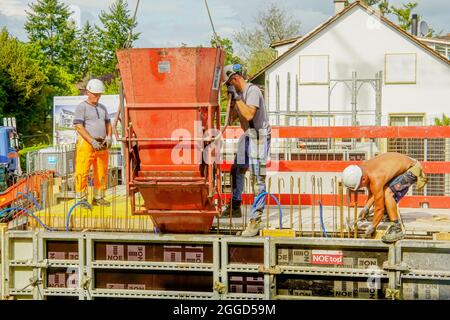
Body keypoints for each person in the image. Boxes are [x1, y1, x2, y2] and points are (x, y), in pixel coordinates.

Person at [221, 64, 271, 237]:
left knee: (258, 178)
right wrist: (233, 101)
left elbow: (249, 115)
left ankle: (255, 221)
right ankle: (235, 206)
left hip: (260, 137)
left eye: (229, 85)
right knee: (237, 169)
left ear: (234, 79)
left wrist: (238, 98)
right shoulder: (240, 95)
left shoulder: (253, 91)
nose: (229, 88)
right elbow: (234, 118)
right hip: (249, 135)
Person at [342, 152, 427, 243]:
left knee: (387, 193)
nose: (361, 187)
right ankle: (388, 215)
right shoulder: (364, 170)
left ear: (363, 179)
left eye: (360, 186)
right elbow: (373, 192)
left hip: (412, 169)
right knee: (382, 192)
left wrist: (373, 226)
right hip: (405, 166)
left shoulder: (375, 177)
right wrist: (366, 208)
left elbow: (379, 207)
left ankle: (396, 228)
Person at [73, 79, 112, 207]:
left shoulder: (102, 108)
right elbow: (78, 126)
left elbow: (108, 123)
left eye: (99, 95)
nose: (97, 97)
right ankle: (81, 199)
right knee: (82, 170)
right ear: (88, 92)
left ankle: (98, 197)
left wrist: (109, 136)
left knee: (101, 170)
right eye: (95, 94)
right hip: (86, 144)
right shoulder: (82, 107)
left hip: (101, 143)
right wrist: (91, 140)